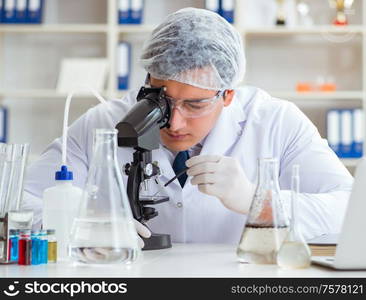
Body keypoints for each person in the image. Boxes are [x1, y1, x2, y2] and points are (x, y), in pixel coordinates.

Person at [22, 7, 353, 248]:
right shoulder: (104, 123)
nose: (176, 122)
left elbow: (351, 210)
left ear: (227, 95)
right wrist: (86, 223)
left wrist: (257, 199)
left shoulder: (276, 122)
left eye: (195, 104)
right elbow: (23, 202)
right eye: (162, 102)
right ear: (147, 81)